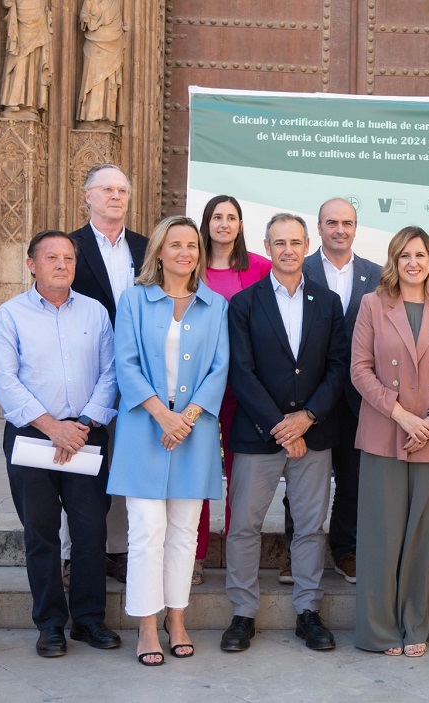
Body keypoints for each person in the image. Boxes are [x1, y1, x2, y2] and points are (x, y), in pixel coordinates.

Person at [0, 230, 121, 658]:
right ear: (32, 264)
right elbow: (5, 380)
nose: (61, 265)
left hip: (86, 435)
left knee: (89, 531)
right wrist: (52, 427)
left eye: (68, 258)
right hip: (32, 438)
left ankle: (88, 621)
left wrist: (80, 424)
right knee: (41, 534)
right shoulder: (10, 315)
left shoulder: (96, 313)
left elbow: (111, 373)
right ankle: (49, 624)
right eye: (51, 258)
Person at [220, 213, 348, 654]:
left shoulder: (328, 302)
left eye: (296, 242)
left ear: (307, 244)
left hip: (314, 433)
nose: (288, 250)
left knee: (310, 527)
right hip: (259, 433)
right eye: (279, 243)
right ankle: (242, 613)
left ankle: (308, 612)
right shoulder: (244, 304)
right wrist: (280, 426)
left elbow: (337, 368)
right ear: (267, 246)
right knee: (243, 526)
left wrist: (307, 417)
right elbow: (242, 372)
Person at [106, 215, 230, 666]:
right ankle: (145, 625)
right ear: (159, 252)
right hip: (145, 429)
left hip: (193, 435)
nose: (185, 253)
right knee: (145, 532)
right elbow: (126, 362)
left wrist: (188, 417)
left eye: (192, 245)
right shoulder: (135, 301)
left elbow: (219, 367)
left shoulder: (215, 305)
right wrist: (162, 414)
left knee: (182, 533)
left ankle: (177, 619)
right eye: (175, 245)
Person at [351, 226, 429, 657]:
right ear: (393, 261)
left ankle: (416, 622)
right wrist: (401, 415)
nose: (413, 263)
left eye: (420, 255)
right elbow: (360, 369)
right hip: (386, 431)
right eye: (404, 256)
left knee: (425, 536)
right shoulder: (372, 305)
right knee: (382, 534)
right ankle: (380, 631)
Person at [282, 197, 382, 585]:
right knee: (302, 479)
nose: (339, 229)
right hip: (309, 396)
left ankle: (346, 550)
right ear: (318, 228)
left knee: (354, 479)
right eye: (331, 222)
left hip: (361, 399)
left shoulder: (376, 274)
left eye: (347, 222)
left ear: (356, 228)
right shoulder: (299, 268)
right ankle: (295, 553)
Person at [69, 163, 147, 584]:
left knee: (124, 460)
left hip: (137, 371)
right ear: (87, 196)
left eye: (122, 190)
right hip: (85, 369)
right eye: (106, 189)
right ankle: (73, 552)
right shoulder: (70, 246)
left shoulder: (146, 247)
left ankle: (116, 550)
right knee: (80, 461)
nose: (116, 196)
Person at [190, 194, 271, 586]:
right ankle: (196, 552)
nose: (224, 224)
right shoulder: (190, 267)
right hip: (200, 386)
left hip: (243, 386)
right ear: (206, 223)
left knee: (240, 472)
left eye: (231, 217)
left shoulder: (259, 267)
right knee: (200, 469)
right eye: (217, 217)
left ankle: (237, 552)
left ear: (240, 224)